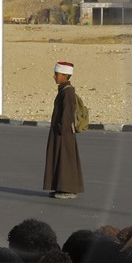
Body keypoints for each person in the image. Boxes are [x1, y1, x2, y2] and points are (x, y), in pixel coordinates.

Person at [43, 60, 83, 199]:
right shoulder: (64, 90)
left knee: (66, 161)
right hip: (60, 133)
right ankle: (60, 187)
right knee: (59, 160)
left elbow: (67, 114)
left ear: (65, 76)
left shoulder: (68, 92)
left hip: (64, 134)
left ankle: (68, 189)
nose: (54, 76)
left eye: (57, 74)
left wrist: (61, 130)